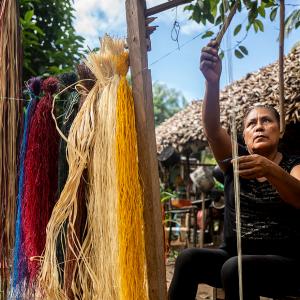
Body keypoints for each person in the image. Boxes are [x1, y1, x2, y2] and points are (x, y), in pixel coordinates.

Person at [168, 40, 300, 300]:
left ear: (280, 129)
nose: (259, 126)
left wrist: (270, 169)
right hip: (233, 258)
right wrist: (212, 82)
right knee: (188, 258)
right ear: (244, 136)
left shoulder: (294, 164)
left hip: (286, 265)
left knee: (236, 267)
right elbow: (212, 128)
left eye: (267, 121)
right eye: (252, 124)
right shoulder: (235, 161)